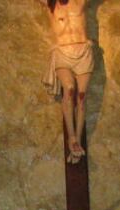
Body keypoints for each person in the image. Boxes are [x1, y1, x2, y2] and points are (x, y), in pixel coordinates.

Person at [41, 0, 93, 163]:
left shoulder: (80, 2)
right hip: (62, 51)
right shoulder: (51, 5)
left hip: (83, 51)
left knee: (82, 96)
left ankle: (78, 139)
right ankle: (72, 138)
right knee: (69, 89)